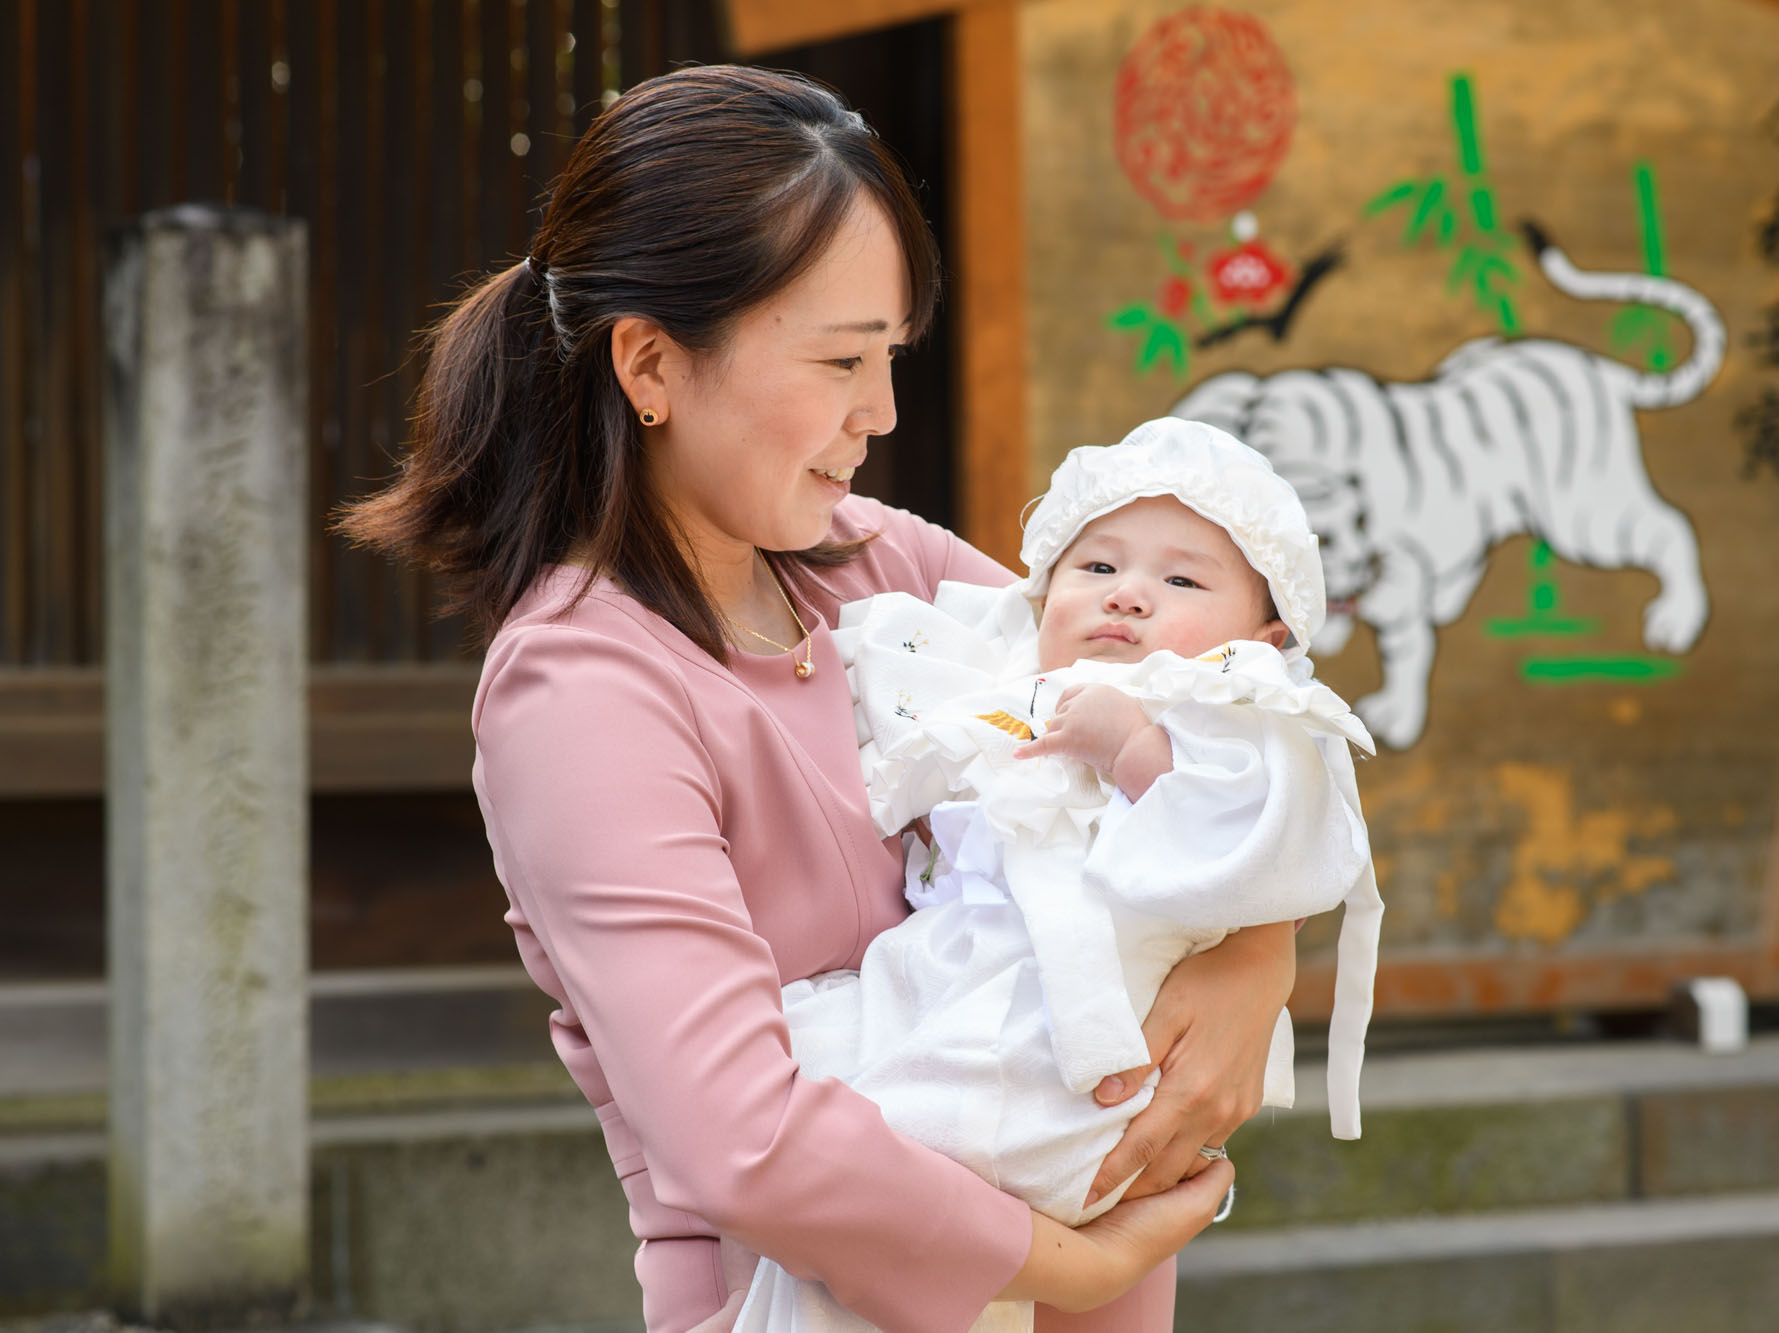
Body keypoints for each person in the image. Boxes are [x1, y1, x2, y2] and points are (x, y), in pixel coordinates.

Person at [338, 65, 1305, 1333]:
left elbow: (1216, 715)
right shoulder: (581, 687)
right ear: (650, 364)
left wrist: (1254, 949)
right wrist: (1070, 1263)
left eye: (890, 357)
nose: (881, 413)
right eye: (843, 359)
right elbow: (743, 1136)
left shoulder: (875, 569)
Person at [732, 418, 1383, 1332]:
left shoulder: (1241, 711)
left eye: (1183, 579)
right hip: (952, 980)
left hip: (1072, 1047)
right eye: (1098, 569)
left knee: (881, 1160)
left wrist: (1137, 752)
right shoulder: (1013, 672)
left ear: (1266, 635)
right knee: (822, 1064)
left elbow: (1269, 850)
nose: (1129, 598)